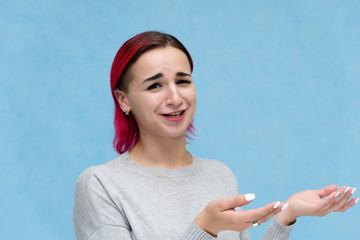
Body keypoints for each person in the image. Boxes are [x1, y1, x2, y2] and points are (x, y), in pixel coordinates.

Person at [73, 31, 358, 240]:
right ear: (124, 100)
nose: (175, 97)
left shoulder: (219, 175)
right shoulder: (101, 185)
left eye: (183, 81)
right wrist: (204, 228)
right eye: (155, 86)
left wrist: (287, 215)